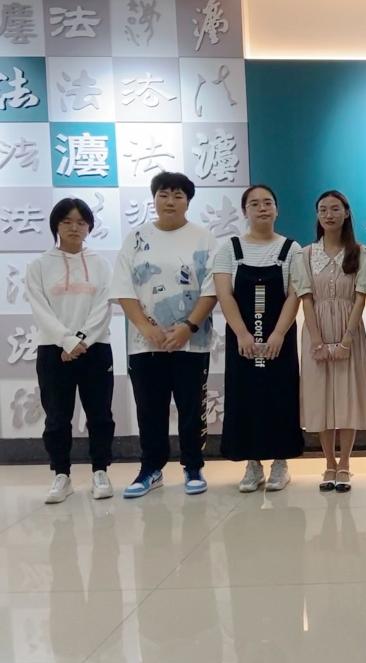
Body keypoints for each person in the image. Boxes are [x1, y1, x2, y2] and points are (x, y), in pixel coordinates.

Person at [110, 171, 218, 498]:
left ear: (188, 201)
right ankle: (150, 469)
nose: (170, 201)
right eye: (163, 195)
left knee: (191, 408)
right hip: (145, 343)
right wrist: (146, 327)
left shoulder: (204, 238)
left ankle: (193, 466)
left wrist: (188, 327)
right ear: (154, 199)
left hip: (192, 342)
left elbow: (212, 288)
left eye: (178, 195)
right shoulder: (136, 238)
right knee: (149, 409)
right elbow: (123, 287)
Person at [214, 185, 305, 492]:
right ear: (245, 211)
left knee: (280, 395)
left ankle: (281, 463)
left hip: (280, 337)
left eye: (268, 202)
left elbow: (294, 294)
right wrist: (242, 333)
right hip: (242, 339)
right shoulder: (229, 249)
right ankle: (252, 465)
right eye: (254, 204)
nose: (262, 208)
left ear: (277, 209)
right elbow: (225, 294)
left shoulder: (291, 249)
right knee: (245, 396)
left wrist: (278, 333)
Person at [28, 198, 115, 504]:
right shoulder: (40, 265)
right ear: (56, 225)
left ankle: (100, 471)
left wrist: (80, 341)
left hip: (95, 348)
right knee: (57, 417)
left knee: (100, 415)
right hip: (53, 351)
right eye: (67, 222)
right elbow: (40, 308)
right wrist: (66, 341)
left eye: (81, 222)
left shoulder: (101, 264)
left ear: (89, 226)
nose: (74, 228)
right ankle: (61, 475)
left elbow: (104, 306)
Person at [292, 190, 366, 493]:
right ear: (317, 215)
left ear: (347, 213)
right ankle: (328, 462)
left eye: (335, 208)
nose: (329, 214)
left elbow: (360, 298)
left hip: (348, 331)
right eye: (323, 209)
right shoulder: (304, 254)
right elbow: (306, 298)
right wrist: (316, 340)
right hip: (316, 331)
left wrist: (346, 340)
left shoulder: (362, 253)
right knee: (320, 397)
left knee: (347, 395)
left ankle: (345, 463)